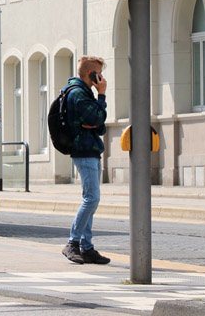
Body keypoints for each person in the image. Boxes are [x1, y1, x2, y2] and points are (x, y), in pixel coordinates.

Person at [61, 55, 111, 266]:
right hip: (83, 150)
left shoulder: (83, 92)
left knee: (90, 200)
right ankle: (72, 243)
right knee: (92, 199)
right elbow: (97, 118)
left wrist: (96, 120)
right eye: (98, 73)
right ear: (91, 74)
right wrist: (101, 96)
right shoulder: (79, 94)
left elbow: (100, 126)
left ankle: (87, 247)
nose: (101, 77)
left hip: (90, 149)